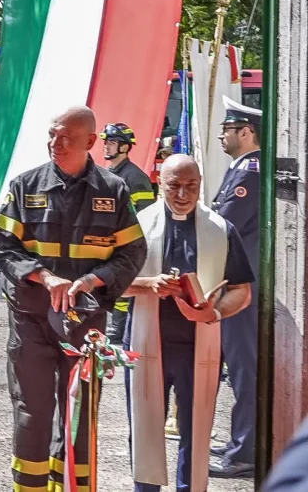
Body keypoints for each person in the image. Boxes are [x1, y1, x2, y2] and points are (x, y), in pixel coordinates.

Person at [0, 105, 147, 491]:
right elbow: (2, 245)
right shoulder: (25, 186)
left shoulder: (114, 189)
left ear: (91, 142)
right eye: (52, 135)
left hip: (86, 326)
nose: (55, 144)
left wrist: (95, 278)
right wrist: (45, 277)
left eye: (66, 138)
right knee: (32, 413)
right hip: (31, 321)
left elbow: (133, 253)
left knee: (79, 415)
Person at [125, 154, 254, 492]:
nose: (183, 194)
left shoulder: (221, 229)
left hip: (199, 345)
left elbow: (241, 291)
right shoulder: (138, 225)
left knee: (196, 429)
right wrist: (148, 284)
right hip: (147, 342)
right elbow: (113, 285)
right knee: (145, 427)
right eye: (174, 186)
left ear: (200, 184)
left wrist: (213, 313)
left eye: (191, 186)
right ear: (159, 183)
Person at [209, 96, 263, 479]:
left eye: (227, 130)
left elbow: (222, 223)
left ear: (246, 132)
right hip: (236, 278)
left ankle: (246, 451)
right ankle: (239, 441)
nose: (222, 136)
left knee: (245, 367)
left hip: (241, 283)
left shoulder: (250, 172)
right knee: (237, 364)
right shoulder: (241, 167)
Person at [100, 122, 158, 346]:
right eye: (106, 142)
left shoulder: (136, 177)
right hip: (108, 240)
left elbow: (146, 215)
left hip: (127, 242)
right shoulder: (105, 173)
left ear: (125, 147)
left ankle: (118, 328)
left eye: (112, 142)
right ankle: (113, 325)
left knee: (123, 285)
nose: (106, 146)